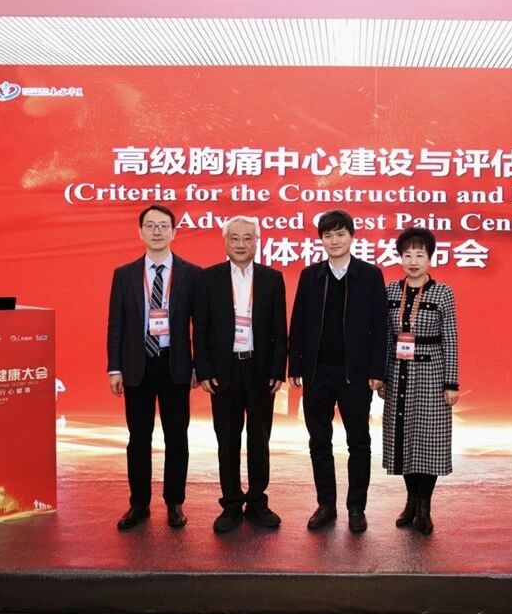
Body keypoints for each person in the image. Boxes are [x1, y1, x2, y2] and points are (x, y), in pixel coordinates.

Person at [288, 209, 387, 533]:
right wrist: (296, 365)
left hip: (355, 375)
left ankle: (356, 507)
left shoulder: (370, 275)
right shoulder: (311, 275)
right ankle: (326, 505)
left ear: (352, 237)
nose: (334, 240)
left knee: (359, 443)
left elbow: (380, 327)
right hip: (317, 374)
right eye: (328, 235)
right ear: (321, 240)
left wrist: (377, 370)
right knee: (319, 442)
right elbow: (298, 323)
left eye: (340, 234)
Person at [107, 204, 201, 530]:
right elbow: (116, 324)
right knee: (138, 438)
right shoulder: (124, 274)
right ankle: (139, 503)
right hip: (137, 366)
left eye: (163, 226)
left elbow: (200, 326)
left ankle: (175, 502)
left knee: (177, 438)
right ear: (140, 232)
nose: (157, 231)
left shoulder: (191, 274)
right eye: (150, 225)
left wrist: (198, 367)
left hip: (176, 366)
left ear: (174, 232)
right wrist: (114, 368)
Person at [193, 216, 287, 533]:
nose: (241, 244)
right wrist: (204, 369)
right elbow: (200, 329)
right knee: (227, 440)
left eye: (248, 238)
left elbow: (279, 329)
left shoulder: (272, 278)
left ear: (257, 242)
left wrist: (278, 369)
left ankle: (258, 502)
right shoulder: (209, 278)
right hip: (224, 371)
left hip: (260, 370)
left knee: (259, 440)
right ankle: (231, 504)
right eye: (234, 238)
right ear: (225, 241)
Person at [380, 227, 459, 535]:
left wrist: (451, 383)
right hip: (398, 374)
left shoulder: (443, 292)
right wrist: (382, 375)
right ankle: (411, 501)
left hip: (432, 375)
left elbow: (450, 339)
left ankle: (424, 507)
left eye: (420, 255)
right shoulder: (391, 291)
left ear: (430, 258)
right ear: (400, 258)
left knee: (428, 442)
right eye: (407, 255)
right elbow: (385, 337)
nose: (413, 261)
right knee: (403, 440)